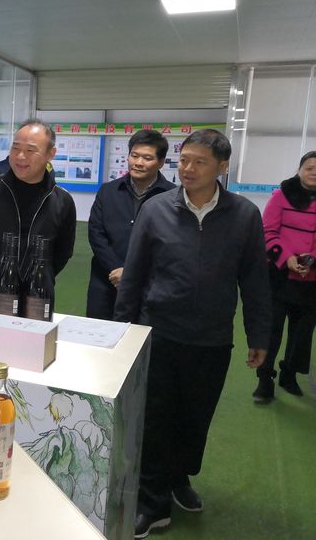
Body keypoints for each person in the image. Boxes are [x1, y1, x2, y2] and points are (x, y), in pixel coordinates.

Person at [113, 129, 271, 539]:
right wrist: (123, 329)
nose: (188, 168)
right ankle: (152, 503)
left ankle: (178, 477)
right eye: (184, 160)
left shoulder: (243, 215)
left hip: (211, 338)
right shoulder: (156, 209)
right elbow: (134, 274)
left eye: (200, 162)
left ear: (222, 167)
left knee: (195, 417)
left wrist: (259, 336)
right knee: (156, 418)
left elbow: (255, 280)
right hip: (160, 332)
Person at [0, 118, 76, 294]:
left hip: (37, 297)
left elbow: (63, 252)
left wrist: (39, 279)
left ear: (50, 154)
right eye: (15, 148)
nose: (20, 156)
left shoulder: (62, 202)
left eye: (30, 150)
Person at [86, 130, 175, 320]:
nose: (138, 162)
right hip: (107, 282)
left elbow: (170, 244)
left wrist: (131, 274)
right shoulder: (108, 191)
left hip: (150, 285)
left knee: (142, 335)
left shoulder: (172, 197)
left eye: (147, 158)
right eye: (134, 156)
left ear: (160, 162)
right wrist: (116, 269)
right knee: (100, 333)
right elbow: (96, 233)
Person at [253, 151, 316, 402]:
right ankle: (264, 379)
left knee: (302, 334)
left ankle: (289, 374)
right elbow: (267, 231)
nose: (314, 173)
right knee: (272, 330)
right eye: (310, 167)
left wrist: (312, 259)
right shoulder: (281, 195)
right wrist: (287, 258)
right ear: (299, 170)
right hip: (279, 276)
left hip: (311, 280)